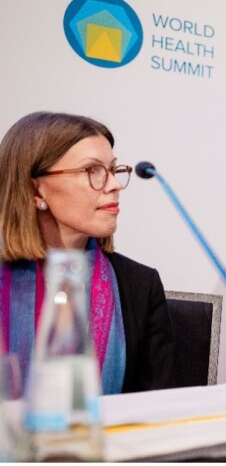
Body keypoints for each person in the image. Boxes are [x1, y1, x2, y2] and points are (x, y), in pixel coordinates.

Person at [0, 111, 176, 393]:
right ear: (37, 191)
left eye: (113, 170)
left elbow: (161, 407)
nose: (115, 184)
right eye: (92, 170)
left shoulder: (140, 286)